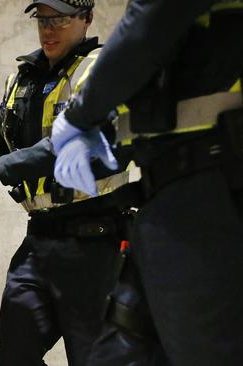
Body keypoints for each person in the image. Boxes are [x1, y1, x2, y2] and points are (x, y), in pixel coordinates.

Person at [50, 0, 243, 364]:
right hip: (173, 197)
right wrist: (107, 128)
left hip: (210, 192)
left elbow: (153, 22)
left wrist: (80, 115)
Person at [0, 0, 137, 364]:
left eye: (61, 19)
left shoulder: (102, 71)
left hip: (95, 242)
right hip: (39, 238)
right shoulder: (22, 79)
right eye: (42, 19)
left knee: (92, 357)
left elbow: (70, 145)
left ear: (87, 19)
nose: (48, 28)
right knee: (15, 354)